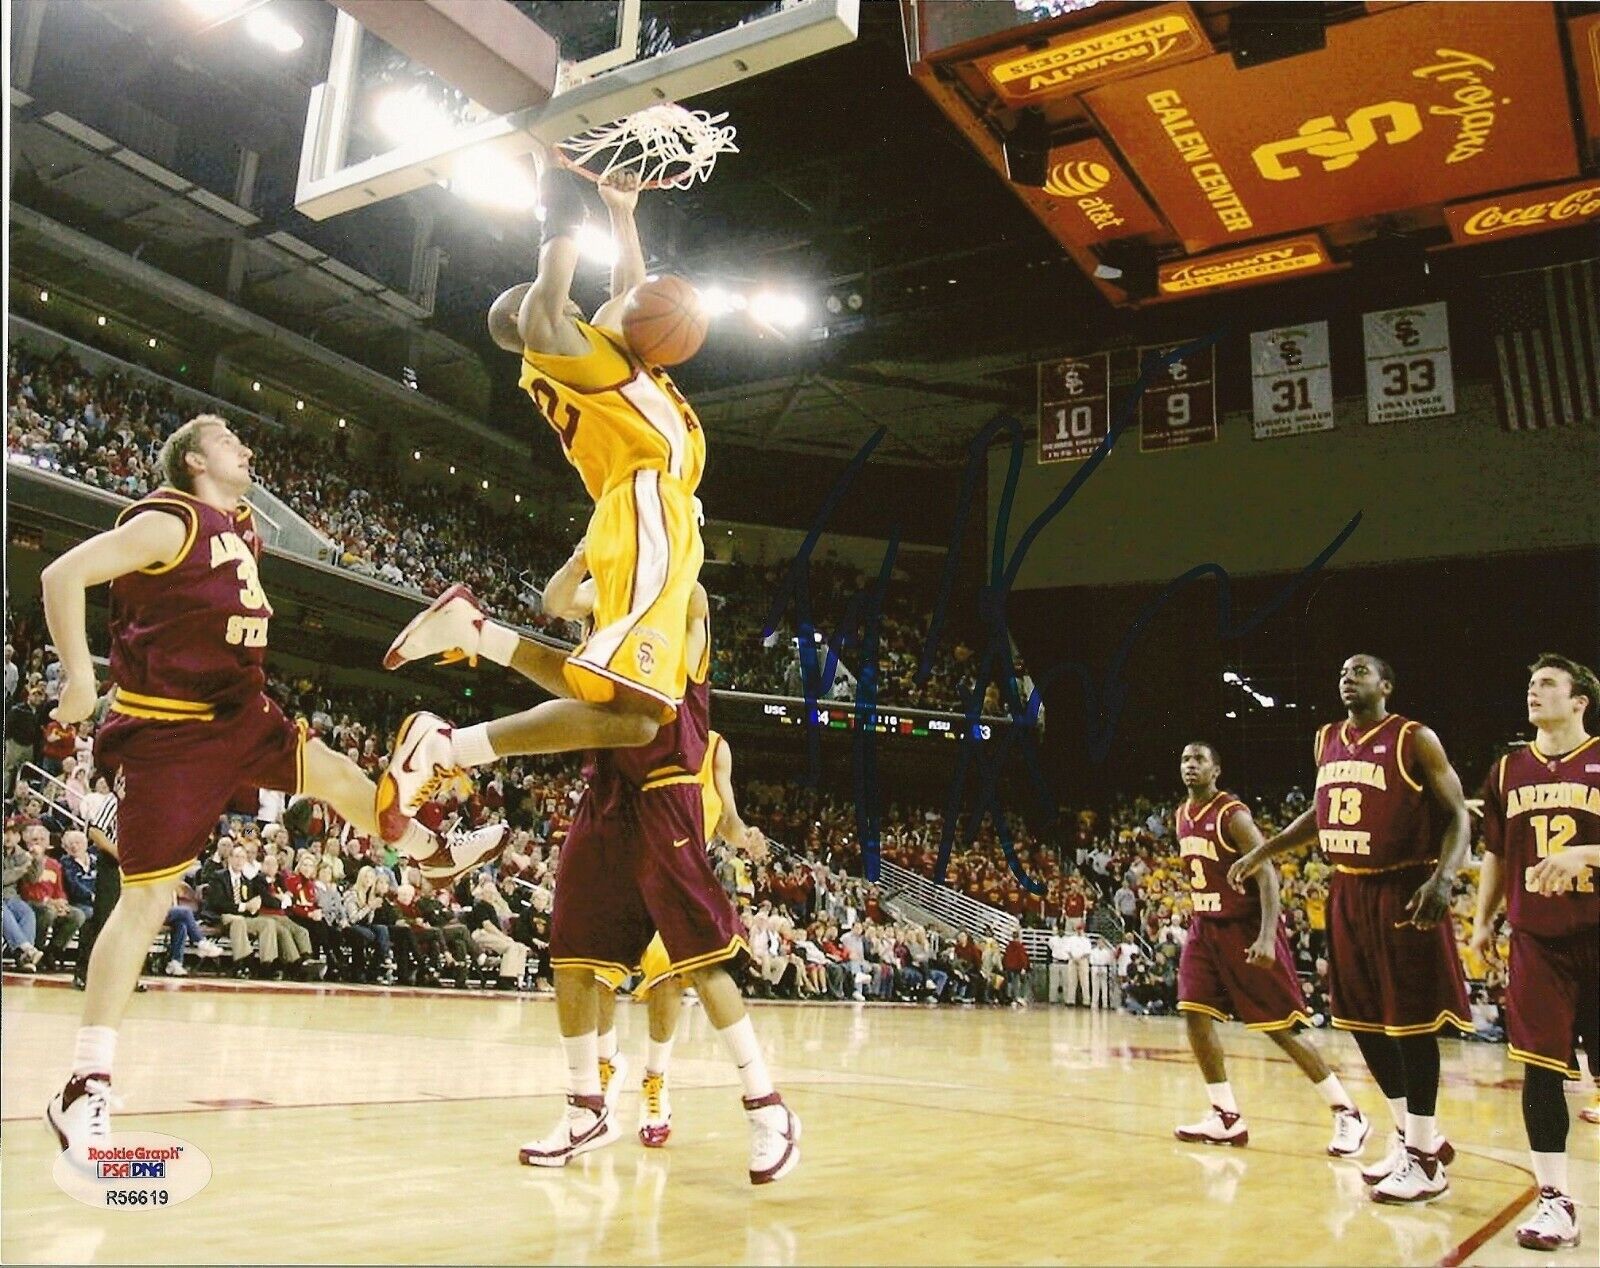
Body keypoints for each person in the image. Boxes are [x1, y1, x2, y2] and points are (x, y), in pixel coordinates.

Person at [40, 414, 503, 1165]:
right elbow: (60, 575)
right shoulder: (169, 521)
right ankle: (83, 1086)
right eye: (227, 438)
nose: (246, 447)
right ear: (193, 460)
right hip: (172, 731)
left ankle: (430, 853)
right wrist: (82, 675)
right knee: (147, 901)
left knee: (347, 780)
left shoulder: (244, 529)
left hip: (243, 713)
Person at [385, 565, 799, 1183]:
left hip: (667, 791)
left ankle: (767, 1106)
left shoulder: (682, 595)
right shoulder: (613, 598)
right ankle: (585, 1108)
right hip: (608, 790)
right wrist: (587, 555)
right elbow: (557, 600)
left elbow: (679, 605)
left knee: (698, 963)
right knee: (573, 958)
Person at [375, 162, 708, 842]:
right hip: (647, 505)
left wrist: (622, 213)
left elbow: (629, 293)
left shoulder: (605, 349)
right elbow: (551, 305)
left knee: (635, 715)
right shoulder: (557, 345)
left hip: (657, 512)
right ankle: (447, 746)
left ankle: (478, 639)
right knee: (636, 714)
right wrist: (559, 193)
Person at [1230, 655, 1472, 1205]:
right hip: (1347, 890)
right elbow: (1320, 816)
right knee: (1362, 1023)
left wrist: (1443, 879)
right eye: (1342, 670)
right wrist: (1264, 850)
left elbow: (1459, 814)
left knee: (1409, 1026)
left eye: (1361, 671)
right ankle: (1411, 1138)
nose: (1347, 676)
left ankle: (1427, 1158)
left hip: (1400, 886)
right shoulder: (1325, 741)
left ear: (1386, 685)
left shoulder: (1415, 738)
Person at [1169, 743, 1369, 1155]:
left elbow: (1267, 876)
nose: (1190, 766)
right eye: (1185, 760)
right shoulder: (1181, 815)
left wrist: (1265, 936)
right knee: (1193, 1012)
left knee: (1280, 1027)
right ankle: (1225, 1115)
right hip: (1205, 927)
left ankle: (1347, 1111)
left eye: (1199, 760)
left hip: (1245, 928)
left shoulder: (1232, 814)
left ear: (1216, 769)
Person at [1471, 654, 1598, 1252]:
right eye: (1529, 684)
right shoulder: (1505, 771)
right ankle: (1555, 1201)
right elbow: (1496, 853)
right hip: (1536, 939)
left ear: (1580, 702)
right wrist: (1481, 923)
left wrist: (1585, 855)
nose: (1533, 691)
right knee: (1539, 1068)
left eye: (1547, 683)